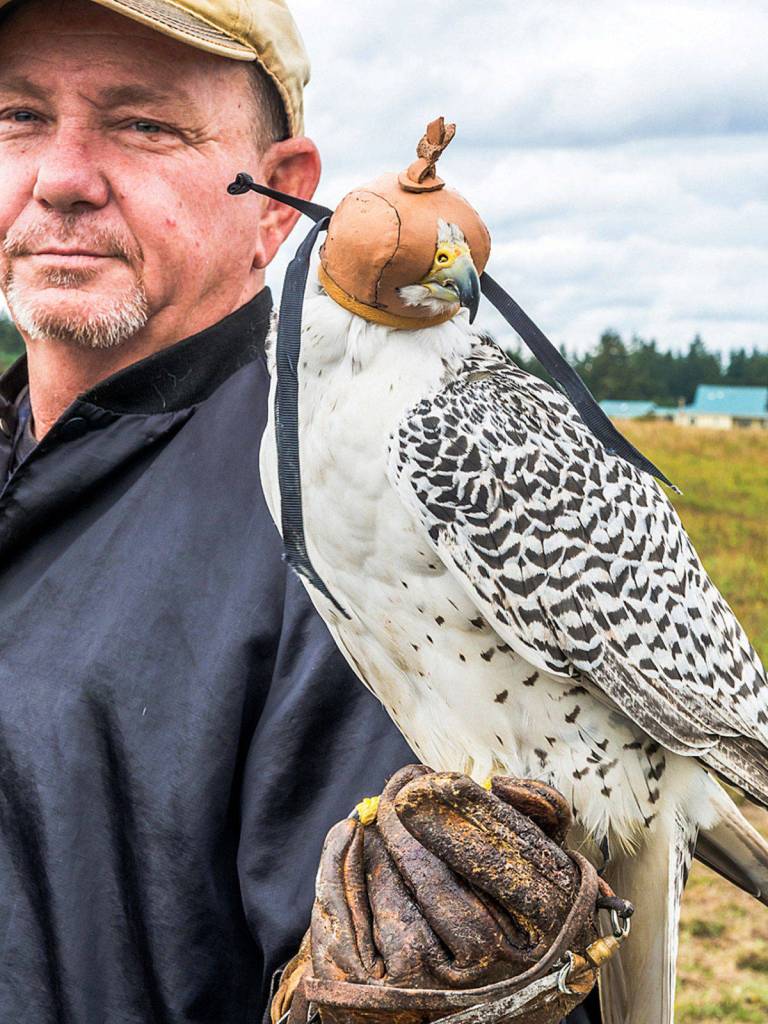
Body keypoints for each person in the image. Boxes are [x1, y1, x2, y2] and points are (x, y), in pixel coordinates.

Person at [0, 1, 600, 1022]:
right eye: (17, 118)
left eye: (145, 125)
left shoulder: (361, 521)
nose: (61, 177)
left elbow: (456, 944)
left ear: (279, 197)